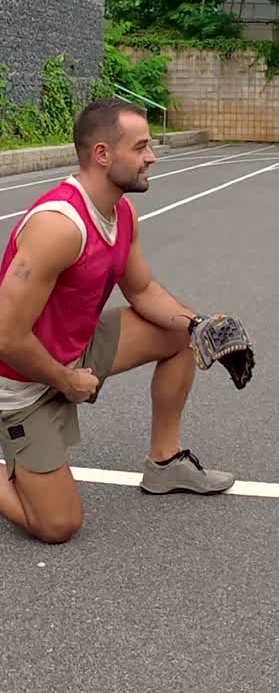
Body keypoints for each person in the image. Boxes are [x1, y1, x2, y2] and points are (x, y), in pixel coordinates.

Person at [0, 98, 234, 544]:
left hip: (72, 350)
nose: (152, 156)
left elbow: (142, 291)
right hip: (18, 379)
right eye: (141, 146)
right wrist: (66, 381)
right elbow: (6, 336)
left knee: (180, 335)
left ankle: (165, 464)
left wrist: (200, 326)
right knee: (57, 526)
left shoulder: (122, 213)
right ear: (103, 154)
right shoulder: (59, 227)